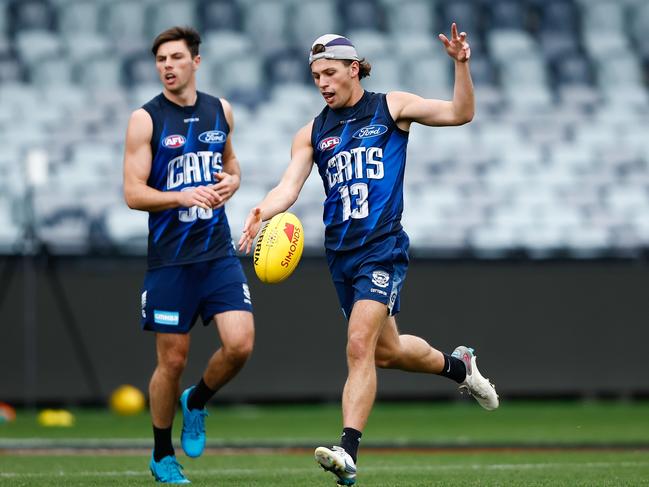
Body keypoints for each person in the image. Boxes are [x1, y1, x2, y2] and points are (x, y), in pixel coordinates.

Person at [239, 24, 498, 486]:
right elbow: (289, 186)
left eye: (330, 73)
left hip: (382, 247)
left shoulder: (390, 106)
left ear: (353, 70)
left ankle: (347, 450)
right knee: (388, 352)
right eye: (316, 74)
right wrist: (262, 209)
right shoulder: (313, 132)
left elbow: (461, 113)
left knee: (359, 344)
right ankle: (462, 367)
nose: (322, 82)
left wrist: (461, 64)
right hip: (342, 256)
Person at [123, 26, 254, 484]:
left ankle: (196, 401)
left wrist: (233, 182)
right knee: (172, 361)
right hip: (170, 258)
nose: (168, 66)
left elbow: (232, 166)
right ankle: (162, 454)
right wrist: (180, 197)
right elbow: (132, 193)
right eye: (161, 60)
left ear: (195, 62)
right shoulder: (145, 119)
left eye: (176, 58)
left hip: (216, 253)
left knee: (240, 344)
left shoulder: (221, 110)